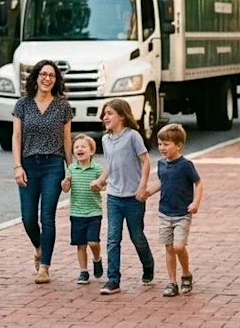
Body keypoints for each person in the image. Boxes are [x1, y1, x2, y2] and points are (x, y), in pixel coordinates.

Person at [12, 59, 73, 284]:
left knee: (47, 217)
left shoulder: (62, 106)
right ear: (36, 77)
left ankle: (45, 266)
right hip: (28, 164)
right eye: (43, 74)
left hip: (53, 165)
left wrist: (71, 170)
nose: (47, 79)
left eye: (52, 76)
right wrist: (17, 166)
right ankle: (39, 247)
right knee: (28, 218)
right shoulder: (23, 104)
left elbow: (67, 141)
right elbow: (16, 137)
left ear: (56, 80)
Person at [92, 98, 154, 295]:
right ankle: (113, 280)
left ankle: (148, 264)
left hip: (134, 198)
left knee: (137, 237)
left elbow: (146, 161)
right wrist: (101, 181)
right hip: (114, 197)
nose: (105, 117)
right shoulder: (105, 140)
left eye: (109, 113)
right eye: (104, 114)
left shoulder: (133, 136)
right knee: (112, 238)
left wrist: (142, 186)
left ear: (122, 115)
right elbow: (111, 165)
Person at [147, 123, 204, 298]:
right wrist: (149, 191)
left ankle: (186, 273)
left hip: (182, 213)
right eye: (160, 144)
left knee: (179, 246)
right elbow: (162, 182)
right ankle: (172, 282)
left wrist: (196, 203)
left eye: (166, 144)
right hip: (164, 212)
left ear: (178, 145)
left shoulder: (186, 165)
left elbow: (199, 184)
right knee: (169, 248)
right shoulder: (161, 164)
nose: (162, 148)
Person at [61, 134, 104, 285]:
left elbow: (104, 185)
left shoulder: (97, 168)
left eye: (83, 147)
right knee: (81, 244)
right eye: (76, 147)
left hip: (94, 212)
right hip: (77, 213)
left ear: (91, 151)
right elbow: (66, 189)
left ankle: (97, 259)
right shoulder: (72, 169)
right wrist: (66, 181)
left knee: (93, 242)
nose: (79, 149)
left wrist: (99, 185)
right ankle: (83, 271)